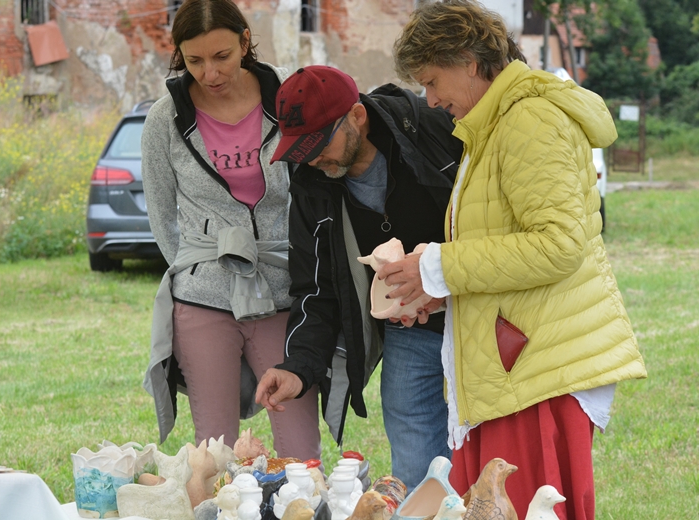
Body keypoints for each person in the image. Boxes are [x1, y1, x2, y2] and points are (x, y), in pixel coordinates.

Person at [383, 1, 648, 518]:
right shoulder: (497, 122)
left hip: (536, 369)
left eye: (433, 81)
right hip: (517, 363)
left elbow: (557, 245)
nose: (431, 100)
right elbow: (512, 247)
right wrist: (436, 290)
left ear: (469, 61)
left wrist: (437, 267)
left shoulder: (528, 119)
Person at [254, 65, 464, 490]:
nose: (311, 158)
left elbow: (492, 222)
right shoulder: (311, 181)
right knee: (415, 469)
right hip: (409, 333)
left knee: (486, 458)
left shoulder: (432, 128)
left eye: (318, 143)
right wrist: (298, 367)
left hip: (478, 316)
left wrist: (442, 283)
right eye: (300, 148)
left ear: (357, 116)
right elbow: (315, 289)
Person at [140, 0, 320, 461]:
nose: (210, 72)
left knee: (299, 447)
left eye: (221, 56)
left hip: (283, 287)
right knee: (215, 452)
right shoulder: (165, 118)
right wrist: (195, 269)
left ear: (244, 42)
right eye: (194, 60)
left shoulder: (287, 95)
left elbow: (320, 184)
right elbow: (161, 213)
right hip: (203, 298)